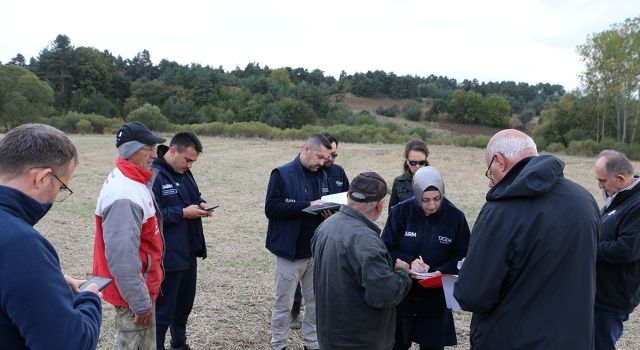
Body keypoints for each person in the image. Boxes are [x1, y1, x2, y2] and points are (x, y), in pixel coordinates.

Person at [453, 129, 600, 349]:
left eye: (489, 172)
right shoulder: (583, 199)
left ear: (499, 161)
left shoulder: (502, 210)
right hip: (575, 338)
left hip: (513, 339)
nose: (490, 182)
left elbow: (472, 295)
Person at [0, 123, 102, 349]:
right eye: (62, 187)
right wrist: (90, 298)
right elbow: (70, 344)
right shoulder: (21, 245)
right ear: (44, 178)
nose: (57, 195)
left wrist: (45, 280)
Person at [312, 172, 412, 350]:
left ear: (349, 196)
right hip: (360, 340)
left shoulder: (325, 226)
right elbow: (383, 295)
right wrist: (402, 273)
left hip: (329, 337)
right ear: (379, 205)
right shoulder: (366, 241)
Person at [93, 121, 166, 349]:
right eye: (149, 148)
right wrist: (140, 303)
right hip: (133, 293)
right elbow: (122, 258)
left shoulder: (132, 180)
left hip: (138, 286)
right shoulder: (124, 194)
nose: (155, 154)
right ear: (131, 151)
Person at [382, 166, 470, 350]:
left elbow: (463, 255)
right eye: (425, 200)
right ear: (416, 194)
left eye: (437, 199)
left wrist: (443, 270)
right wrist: (409, 260)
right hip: (403, 294)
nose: (432, 205)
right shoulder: (400, 212)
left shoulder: (455, 217)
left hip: (435, 297)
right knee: (397, 344)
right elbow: (387, 247)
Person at [264, 134, 333, 350]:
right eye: (319, 156)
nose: (322, 162)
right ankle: (279, 344)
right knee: (283, 304)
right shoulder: (282, 174)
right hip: (289, 251)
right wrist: (306, 205)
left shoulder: (323, 175)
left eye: (326, 158)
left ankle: (312, 344)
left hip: (316, 250)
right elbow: (271, 208)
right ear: (306, 150)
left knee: (315, 304)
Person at [153, 132, 211, 350]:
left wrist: (201, 204)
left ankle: (179, 344)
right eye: (188, 160)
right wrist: (182, 213)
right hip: (168, 256)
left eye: (193, 161)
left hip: (189, 251)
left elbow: (193, 197)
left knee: (184, 306)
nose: (190, 166)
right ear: (173, 150)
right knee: (163, 311)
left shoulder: (184, 173)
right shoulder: (155, 175)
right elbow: (152, 216)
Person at [290, 132, 350, 329]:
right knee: (301, 274)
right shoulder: (311, 170)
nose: (329, 160)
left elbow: (348, 200)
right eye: (325, 155)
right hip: (309, 232)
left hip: (332, 231)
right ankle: (295, 308)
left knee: (325, 277)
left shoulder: (339, 173)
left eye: (333, 155)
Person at [593, 150, 640, 350]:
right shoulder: (618, 196)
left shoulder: (637, 205)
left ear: (620, 178)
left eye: (602, 180)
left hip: (613, 297)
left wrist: (589, 248)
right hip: (599, 293)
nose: (600, 186)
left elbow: (626, 249)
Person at [389, 139, 429, 212]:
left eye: (421, 162)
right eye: (413, 163)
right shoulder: (399, 182)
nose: (417, 166)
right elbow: (392, 212)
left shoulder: (436, 180)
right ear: (407, 161)